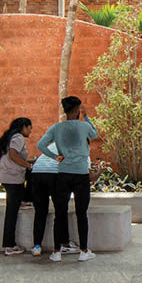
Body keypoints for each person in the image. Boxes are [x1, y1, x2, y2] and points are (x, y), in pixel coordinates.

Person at [35, 95, 99, 262]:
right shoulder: (84, 126)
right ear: (78, 110)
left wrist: (56, 156)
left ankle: (57, 252)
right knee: (81, 213)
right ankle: (84, 251)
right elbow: (95, 134)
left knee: (60, 213)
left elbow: (40, 145)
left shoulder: (56, 128)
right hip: (81, 175)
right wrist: (86, 116)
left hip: (63, 174)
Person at [0, 117, 34, 255]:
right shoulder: (18, 138)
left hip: (7, 176)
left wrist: (28, 162)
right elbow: (12, 155)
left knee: (12, 208)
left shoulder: (10, 137)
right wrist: (28, 165)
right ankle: (9, 245)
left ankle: (23, 200)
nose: (30, 130)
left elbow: (12, 156)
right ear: (23, 127)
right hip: (12, 178)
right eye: (29, 127)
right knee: (11, 213)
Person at [26, 141, 61, 259]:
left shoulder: (52, 145)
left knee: (40, 212)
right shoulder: (70, 144)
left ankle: (37, 246)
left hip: (37, 173)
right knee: (60, 211)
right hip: (54, 174)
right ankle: (60, 246)